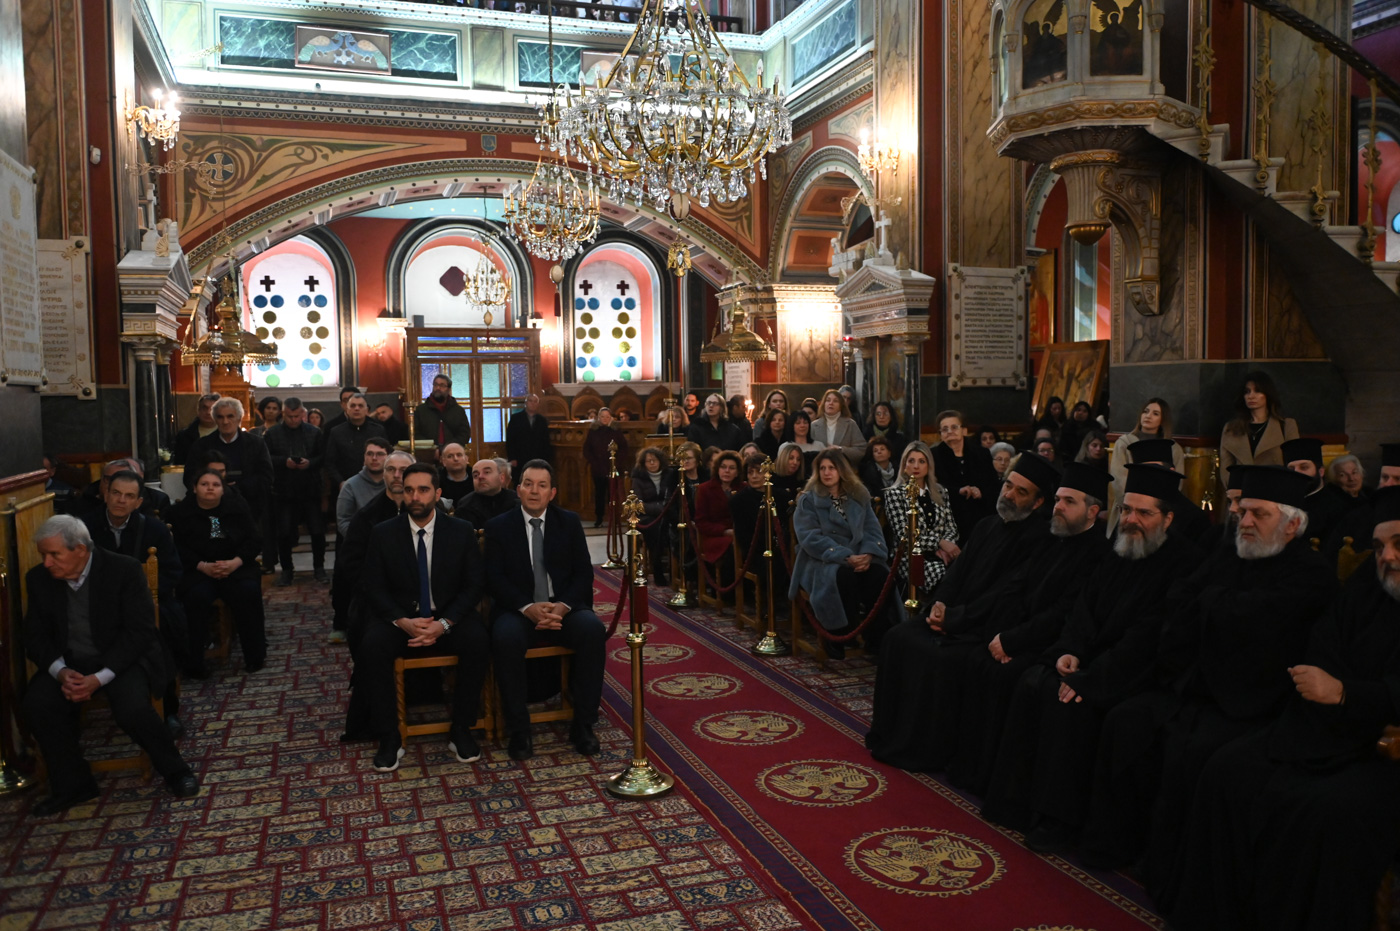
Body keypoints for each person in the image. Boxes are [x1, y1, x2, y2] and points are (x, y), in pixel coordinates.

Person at [1078, 466, 1335, 885]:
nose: (1244, 521)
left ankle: (1172, 873)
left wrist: (1213, 605)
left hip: (1253, 702)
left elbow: (1261, 628)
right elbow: (1181, 598)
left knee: (1196, 751)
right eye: (1243, 511)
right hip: (1195, 683)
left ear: (1292, 525)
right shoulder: (1230, 553)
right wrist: (1224, 609)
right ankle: (1116, 845)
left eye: (1259, 514)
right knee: (1125, 721)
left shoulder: (1312, 572)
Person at [1165, 486, 1400, 931]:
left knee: (1323, 810)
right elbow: (1324, 642)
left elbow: (1342, 687)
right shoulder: (1368, 585)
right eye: (1379, 546)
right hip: (1328, 727)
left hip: (1385, 751)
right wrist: (1333, 693)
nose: (1387, 557)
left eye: (1398, 544)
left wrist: (1348, 694)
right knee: (1227, 769)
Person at [979, 463, 1204, 843]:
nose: (1131, 520)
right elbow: (1084, 608)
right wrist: (1070, 650)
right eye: (1126, 510)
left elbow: (1150, 635)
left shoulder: (1186, 563)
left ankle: (1058, 820)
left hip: (1138, 672)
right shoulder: (1119, 548)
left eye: (1144, 513)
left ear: (1167, 519)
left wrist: (1093, 677)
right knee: (1034, 681)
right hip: (1093, 660)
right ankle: (1015, 802)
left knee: (1072, 703)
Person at [866, 452, 1060, 770]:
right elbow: (956, 574)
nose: (1009, 494)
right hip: (953, 615)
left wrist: (954, 620)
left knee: (936, 658)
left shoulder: (1039, 540)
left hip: (984, 626)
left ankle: (925, 750)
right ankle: (890, 735)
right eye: (1008, 485)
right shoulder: (987, 525)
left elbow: (1006, 595)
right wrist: (939, 604)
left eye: (1021, 491)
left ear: (1038, 502)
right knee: (897, 637)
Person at [943, 462, 1115, 793]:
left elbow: (1064, 613)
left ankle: (995, 780)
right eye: (1058, 499)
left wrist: (1013, 641)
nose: (1058, 507)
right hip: (1020, 635)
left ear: (1092, 511)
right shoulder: (1053, 536)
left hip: (1048, 644)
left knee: (1008, 675)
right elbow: (1016, 587)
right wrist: (999, 635)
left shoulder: (1098, 553)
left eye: (1069, 501)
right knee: (978, 660)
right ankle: (971, 769)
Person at [21, 516, 199, 814]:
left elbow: (140, 632)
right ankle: (74, 785)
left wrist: (99, 678)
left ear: (80, 550)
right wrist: (61, 672)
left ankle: (176, 771)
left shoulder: (123, 569)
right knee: (37, 704)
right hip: (69, 663)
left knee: (133, 709)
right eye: (43, 555)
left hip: (121, 659)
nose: (47, 562)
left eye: (54, 554)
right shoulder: (39, 578)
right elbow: (34, 636)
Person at [357, 464, 490, 772]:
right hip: (401, 620)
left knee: (478, 641)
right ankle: (389, 736)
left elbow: (474, 585)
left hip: (448, 618)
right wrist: (402, 621)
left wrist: (444, 625)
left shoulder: (460, 531)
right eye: (409, 490)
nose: (415, 497)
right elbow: (373, 587)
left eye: (423, 490)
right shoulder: (383, 533)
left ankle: (461, 728)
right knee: (372, 646)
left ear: (438, 493)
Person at [484, 460, 607, 760]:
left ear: (552, 493)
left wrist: (562, 607)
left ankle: (583, 724)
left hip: (562, 606)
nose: (534, 491)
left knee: (593, 631)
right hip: (518, 608)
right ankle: (519, 729)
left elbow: (583, 574)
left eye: (541, 486)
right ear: (518, 489)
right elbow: (493, 578)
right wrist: (528, 607)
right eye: (528, 484)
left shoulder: (569, 522)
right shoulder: (499, 526)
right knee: (505, 638)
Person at [79, 471, 187, 737]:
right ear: (106, 494)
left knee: (165, 629)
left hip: (145, 603)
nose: (121, 501)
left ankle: (167, 709)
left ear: (138, 502)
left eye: (129, 496)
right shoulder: (84, 528)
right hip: (96, 606)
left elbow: (172, 571)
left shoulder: (154, 529)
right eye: (116, 493)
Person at [789, 449, 892, 659]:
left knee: (880, 575)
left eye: (832, 468)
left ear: (841, 470)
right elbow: (810, 538)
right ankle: (838, 635)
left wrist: (868, 555)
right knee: (841, 576)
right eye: (822, 468)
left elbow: (872, 530)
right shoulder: (809, 500)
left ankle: (876, 638)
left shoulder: (858, 495)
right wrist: (844, 556)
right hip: (821, 559)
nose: (827, 473)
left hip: (859, 556)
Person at [168, 469, 267, 676]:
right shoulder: (179, 513)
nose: (210, 488)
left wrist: (235, 562)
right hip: (197, 570)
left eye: (215, 485)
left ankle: (255, 657)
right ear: (194, 488)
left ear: (223, 489)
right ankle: (194, 663)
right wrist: (202, 565)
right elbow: (176, 547)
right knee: (195, 597)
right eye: (204, 484)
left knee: (248, 592)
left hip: (235, 567)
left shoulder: (237, 507)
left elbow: (254, 540)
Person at [330, 451, 415, 646]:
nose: (396, 475)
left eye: (403, 470)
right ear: (383, 474)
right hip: (377, 597)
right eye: (391, 469)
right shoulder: (366, 516)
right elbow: (352, 565)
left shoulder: (424, 511)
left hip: (421, 596)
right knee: (372, 641)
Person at [879, 441, 960, 608]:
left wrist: (947, 547)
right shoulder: (894, 494)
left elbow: (951, 527)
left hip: (943, 555)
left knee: (967, 570)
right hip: (910, 557)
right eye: (911, 461)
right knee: (943, 575)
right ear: (904, 465)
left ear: (929, 465)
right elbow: (906, 535)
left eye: (922, 461)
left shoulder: (941, 491)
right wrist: (939, 543)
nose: (916, 466)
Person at [263, 397, 327, 585]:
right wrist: (285, 462)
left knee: (317, 531)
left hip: (310, 489)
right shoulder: (272, 433)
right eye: (290, 416)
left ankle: (319, 568)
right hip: (283, 490)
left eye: (297, 416)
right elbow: (266, 458)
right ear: (283, 414)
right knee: (283, 533)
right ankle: (287, 571)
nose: (293, 420)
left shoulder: (314, 432)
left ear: (302, 414)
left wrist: (310, 463)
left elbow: (323, 457)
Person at [1106, 397, 1184, 535]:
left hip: (1159, 509)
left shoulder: (1173, 448)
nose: (1148, 416)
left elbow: (1177, 482)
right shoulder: (1124, 443)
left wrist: (1156, 505)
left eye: (1155, 413)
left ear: (1163, 419)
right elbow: (1119, 479)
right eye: (1145, 411)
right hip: (1129, 505)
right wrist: (1136, 503)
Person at [932, 410, 1001, 542]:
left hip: (979, 516)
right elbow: (933, 486)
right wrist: (958, 491)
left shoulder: (982, 454)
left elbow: (993, 485)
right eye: (944, 429)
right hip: (949, 518)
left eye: (954, 427)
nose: (949, 431)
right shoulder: (933, 456)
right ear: (940, 435)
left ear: (964, 430)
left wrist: (981, 492)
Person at [1126, 439, 1211, 543]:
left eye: (1153, 470)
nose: (1147, 477)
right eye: (1141, 473)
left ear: (1171, 472)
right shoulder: (1128, 512)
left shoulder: (1195, 519)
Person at [1219, 370, 1300, 476]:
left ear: (1267, 394)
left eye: (1257, 391)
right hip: (1241, 485)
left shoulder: (1286, 426)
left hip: (1275, 485)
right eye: (1247, 391)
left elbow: (1294, 465)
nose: (1251, 396)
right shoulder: (1231, 428)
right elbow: (1225, 469)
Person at [1282, 436, 1348, 546]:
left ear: (1321, 472)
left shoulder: (1338, 507)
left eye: (1304, 467)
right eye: (1291, 469)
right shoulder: (1281, 504)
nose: (1296, 473)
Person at [693, 451, 743, 589]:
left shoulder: (743, 488)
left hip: (738, 533)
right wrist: (724, 531)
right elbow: (701, 522)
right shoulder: (705, 489)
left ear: (737, 472)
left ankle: (746, 589)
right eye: (723, 467)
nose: (727, 471)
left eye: (731, 468)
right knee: (731, 550)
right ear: (717, 469)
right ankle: (725, 589)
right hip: (714, 536)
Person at [632, 447, 676, 586]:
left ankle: (676, 570)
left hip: (667, 514)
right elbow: (638, 504)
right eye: (648, 461)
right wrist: (660, 508)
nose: (652, 463)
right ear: (643, 463)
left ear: (660, 461)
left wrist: (665, 509)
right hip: (647, 517)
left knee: (672, 527)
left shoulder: (670, 475)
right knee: (655, 530)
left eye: (654, 460)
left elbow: (673, 497)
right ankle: (657, 569)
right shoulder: (638, 478)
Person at [76, 457, 172, 520]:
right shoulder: (81, 504)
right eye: (108, 479)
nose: (121, 500)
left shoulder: (151, 504)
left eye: (121, 479)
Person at [325, 393, 387, 488]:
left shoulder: (378, 430)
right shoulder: (336, 432)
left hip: (374, 483)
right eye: (353, 406)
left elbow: (387, 457)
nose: (356, 408)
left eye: (360, 406)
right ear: (347, 410)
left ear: (366, 410)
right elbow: (329, 462)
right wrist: (340, 482)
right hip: (345, 484)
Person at [583, 407, 628, 529]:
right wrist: (594, 461)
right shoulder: (593, 431)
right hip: (598, 468)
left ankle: (614, 518)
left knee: (613, 495)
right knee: (599, 494)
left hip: (613, 468)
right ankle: (599, 518)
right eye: (602, 416)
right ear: (598, 418)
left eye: (607, 417)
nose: (605, 419)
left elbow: (624, 448)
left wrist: (616, 462)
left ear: (611, 418)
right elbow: (587, 449)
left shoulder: (616, 431)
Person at [335, 437, 391, 536]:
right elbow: (343, 521)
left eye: (380, 454)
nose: (374, 458)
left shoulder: (395, 484)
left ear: (389, 457)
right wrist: (360, 540)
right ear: (364, 457)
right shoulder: (350, 485)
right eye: (370, 454)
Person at [456, 458, 520, 528]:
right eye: (476, 475)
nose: (480, 477)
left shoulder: (517, 501)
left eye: (486, 472)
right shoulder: (465, 507)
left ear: (501, 478)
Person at [810, 389, 866, 466]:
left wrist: (841, 449)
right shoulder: (814, 425)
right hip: (821, 468)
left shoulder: (850, 424)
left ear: (841, 406)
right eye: (828, 400)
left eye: (835, 401)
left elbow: (861, 449)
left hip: (843, 468)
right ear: (823, 404)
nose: (831, 403)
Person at [414, 374, 472, 448]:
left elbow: (464, 434)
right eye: (436, 385)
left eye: (442, 385)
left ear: (449, 389)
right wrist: (431, 448)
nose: (438, 388)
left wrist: (449, 448)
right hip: (428, 451)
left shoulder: (458, 411)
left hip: (452, 452)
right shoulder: (420, 410)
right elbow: (415, 434)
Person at [506, 393, 553, 475]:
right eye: (530, 401)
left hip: (537, 458)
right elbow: (510, 440)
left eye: (535, 401)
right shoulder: (515, 418)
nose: (533, 403)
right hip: (520, 457)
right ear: (526, 403)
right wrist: (512, 458)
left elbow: (546, 441)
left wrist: (546, 460)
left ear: (538, 404)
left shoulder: (542, 420)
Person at [172, 393, 220, 465]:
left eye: (212, 409)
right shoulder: (184, 436)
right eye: (204, 408)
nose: (208, 412)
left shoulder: (226, 434)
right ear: (198, 410)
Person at [771, 442, 806, 518]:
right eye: (791, 458)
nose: (795, 462)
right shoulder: (773, 481)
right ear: (783, 458)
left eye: (798, 459)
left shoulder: (803, 482)